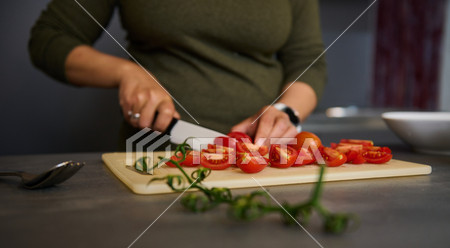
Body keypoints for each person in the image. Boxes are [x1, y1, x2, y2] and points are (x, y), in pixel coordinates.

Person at [29, 0, 326, 146]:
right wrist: (125, 72)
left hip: (261, 159)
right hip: (156, 155)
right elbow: (50, 37)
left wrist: (287, 112)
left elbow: (307, 59)